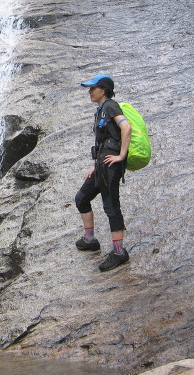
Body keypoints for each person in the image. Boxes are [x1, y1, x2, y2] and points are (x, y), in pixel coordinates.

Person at [74, 74, 133, 272]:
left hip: (111, 168)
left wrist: (121, 155)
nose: (90, 92)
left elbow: (126, 127)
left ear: (104, 90)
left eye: (93, 88)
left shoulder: (110, 106)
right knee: (82, 198)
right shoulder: (101, 110)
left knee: (111, 207)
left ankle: (119, 252)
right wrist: (95, 165)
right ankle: (90, 240)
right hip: (101, 166)